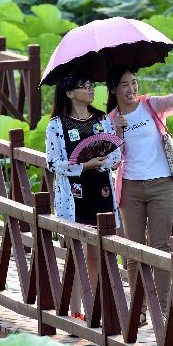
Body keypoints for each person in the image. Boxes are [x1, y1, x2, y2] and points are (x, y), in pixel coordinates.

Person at [106, 65, 173, 322]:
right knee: (133, 250)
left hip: (161, 186)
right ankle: (139, 309)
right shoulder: (110, 120)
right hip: (130, 188)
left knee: (161, 246)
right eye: (125, 84)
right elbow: (112, 162)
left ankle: (163, 308)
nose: (132, 89)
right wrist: (118, 133)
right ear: (113, 89)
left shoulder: (150, 106)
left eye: (134, 82)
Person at [46, 70, 122, 319]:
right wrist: (82, 165)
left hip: (101, 189)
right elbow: (53, 162)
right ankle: (77, 309)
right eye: (84, 86)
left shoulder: (101, 119)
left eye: (92, 85)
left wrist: (103, 160)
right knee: (76, 251)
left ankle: (95, 307)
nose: (91, 90)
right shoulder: (57, 125)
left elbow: (115, 155)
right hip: (75, 193)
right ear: (69, 93)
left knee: (97, 252)